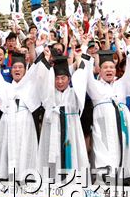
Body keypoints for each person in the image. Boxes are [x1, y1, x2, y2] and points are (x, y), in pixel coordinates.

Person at [0, 42, 49, 181]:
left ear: (25, 70)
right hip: (7, 122)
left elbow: (39, 72)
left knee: (26, 148)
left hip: (25, 122)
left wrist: (38, 49)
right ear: (11, 70)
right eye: (14, 67)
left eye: (20, 67)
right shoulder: (6, 87)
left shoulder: (31, 86)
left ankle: (26, 177)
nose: (17, 70)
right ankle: (4, 177)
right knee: (6, 150)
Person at [85, 47, 130, 184]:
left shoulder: (121, 83)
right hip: (103, 127)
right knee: (104, 154)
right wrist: (87, 52)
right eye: (105, 67)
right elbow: (86, 73)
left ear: (115, 70)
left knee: (128, 151)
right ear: (100, 70)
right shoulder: (94, 85)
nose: (109, 70)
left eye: (111, 67)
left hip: (123, 123)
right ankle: (104, 185)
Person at [36, 50, 91, 180]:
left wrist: (78, 58)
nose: (60, 82)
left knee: (71, 156)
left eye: (63, 78)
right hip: (52, 129)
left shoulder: (74, 93)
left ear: (69, 79)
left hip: (71, 132)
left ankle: (73, 182)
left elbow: (82, 76)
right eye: (57, 78)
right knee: (52, 159)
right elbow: (41, 79)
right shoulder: (48, 94)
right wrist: (47, 58)